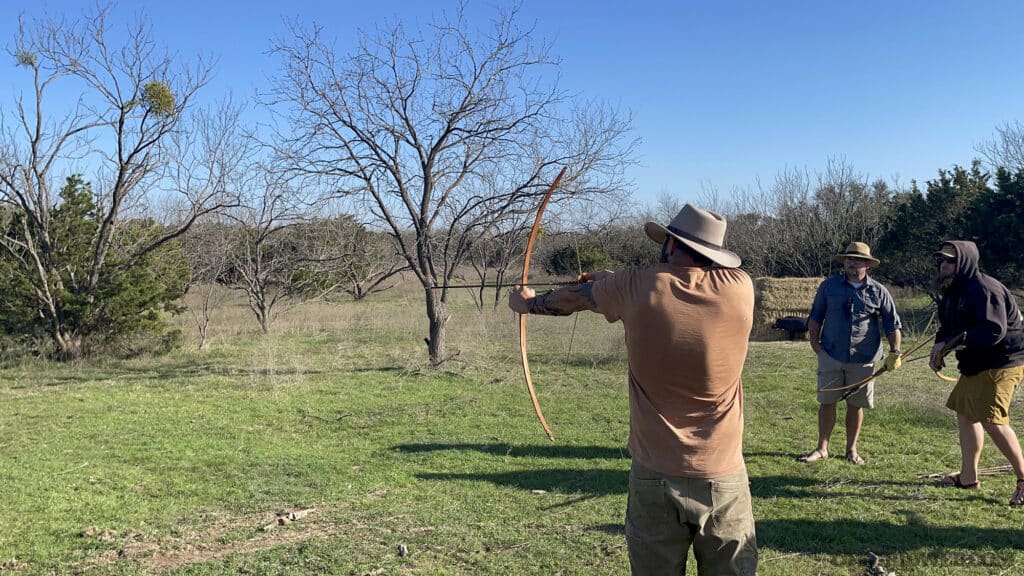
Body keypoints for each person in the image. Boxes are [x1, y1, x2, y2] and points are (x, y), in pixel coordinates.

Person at [509, 204, 757, 575]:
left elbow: (575, 299)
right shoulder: (740, 288)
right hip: (722, 477)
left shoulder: (635, 286)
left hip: (654, 475)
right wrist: (611, 280)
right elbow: (671, 283)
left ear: (671, 246)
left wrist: (529, 303)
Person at [929, 240, 1024, 506]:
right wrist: (939, 348)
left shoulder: (985, 289)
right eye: (942, 261)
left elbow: (994, 330)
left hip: (1003, 360)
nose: (944, 265)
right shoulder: (952, 292)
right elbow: (948, 328)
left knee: (993, 420)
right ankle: (968, 477)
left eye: (950, 261)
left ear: (966, 262)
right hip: (977, 361)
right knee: (966, 412)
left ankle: (1023, 479)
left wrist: (953, 342)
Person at [799, 242, 902, 465]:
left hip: (864, 359)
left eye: (857, 259)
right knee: (827, 402)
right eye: (848, 259)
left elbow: (892, 324)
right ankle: (822, 448)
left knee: (856, 405)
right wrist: (815, 345)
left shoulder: (879, 291)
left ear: (867, 264)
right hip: (831, 354)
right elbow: (816, 317)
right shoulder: (829, 287)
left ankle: (851, 450)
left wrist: (896, 352)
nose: (852, 263)